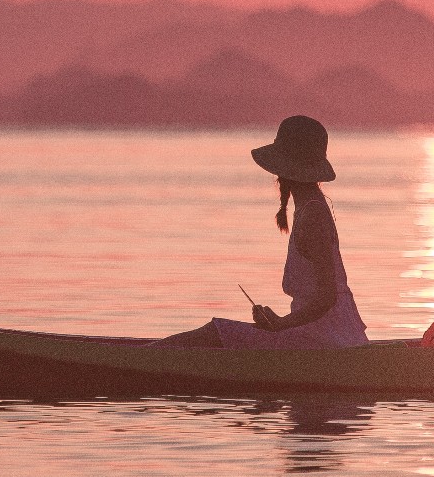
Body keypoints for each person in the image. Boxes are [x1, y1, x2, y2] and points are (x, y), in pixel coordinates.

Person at [153, 115, 370, 349]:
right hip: (325, 337)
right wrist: (277, 324)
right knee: (216, 334)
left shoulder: (312, 215)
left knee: (215, 331)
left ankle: (137, 359)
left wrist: (281, 324)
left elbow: (328, 296)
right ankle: (141, 355)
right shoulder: (310, 207)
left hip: (326, 342)